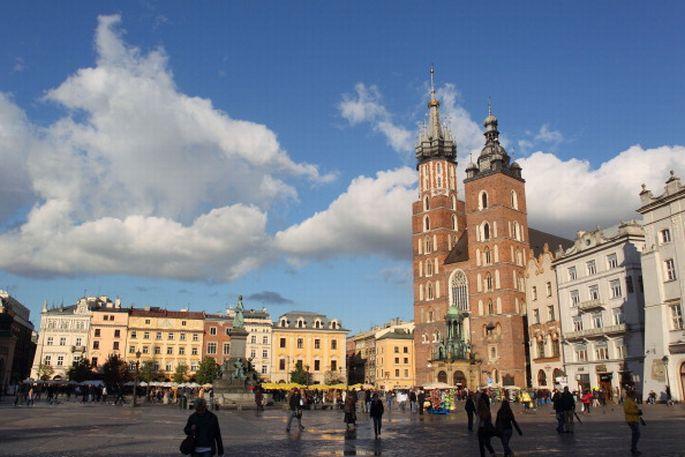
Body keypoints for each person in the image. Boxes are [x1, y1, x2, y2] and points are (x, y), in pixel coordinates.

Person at [477, 391, 496, 457]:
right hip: (485, 429)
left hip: (483, 429)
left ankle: (488, 454)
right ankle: (492, 453)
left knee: (482, 444)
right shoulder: (486, 411)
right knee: (486, 443)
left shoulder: (481, 411)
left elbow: (481, 421)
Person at [624, 388, 643, 455]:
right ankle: (633, 448)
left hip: (635, 419)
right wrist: (636, 412)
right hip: (631, 420)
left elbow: (634, 408)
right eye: (635, 394)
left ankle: (634, 448)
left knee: (636, 434)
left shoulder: (632, 401)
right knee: (636, 434)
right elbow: (626, 410)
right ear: (632, 395)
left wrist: (639, 413)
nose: (636, 396)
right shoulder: (627, 401)